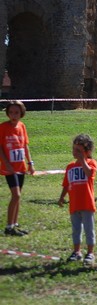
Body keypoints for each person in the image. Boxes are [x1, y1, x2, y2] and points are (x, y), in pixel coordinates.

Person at [58, 134, 97, 265]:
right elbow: (66, 184)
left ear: (88, 152)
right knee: (76, 229)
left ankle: (90, 253)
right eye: (74, 149)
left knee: (89, 229)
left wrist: (83, 161)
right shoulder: (70, 167)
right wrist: (62, 197)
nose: (75, 152)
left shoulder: (91, 163)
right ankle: (77, 252)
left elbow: (90, 174)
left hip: (87, 203)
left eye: (79, 150)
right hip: (74, 204)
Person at [0, 100, 34, 236]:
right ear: (8, 113)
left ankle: (15, 224)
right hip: (9, 168)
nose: (14, 115)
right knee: (16, 195)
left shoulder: (22, 126)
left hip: (20, 166)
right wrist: (6, 163)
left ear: (21, 113)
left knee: (18, 196)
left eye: (17, 112)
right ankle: (9, 227)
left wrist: (30, 163)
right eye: (11, 112)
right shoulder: (3, 127)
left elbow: (25, 146)